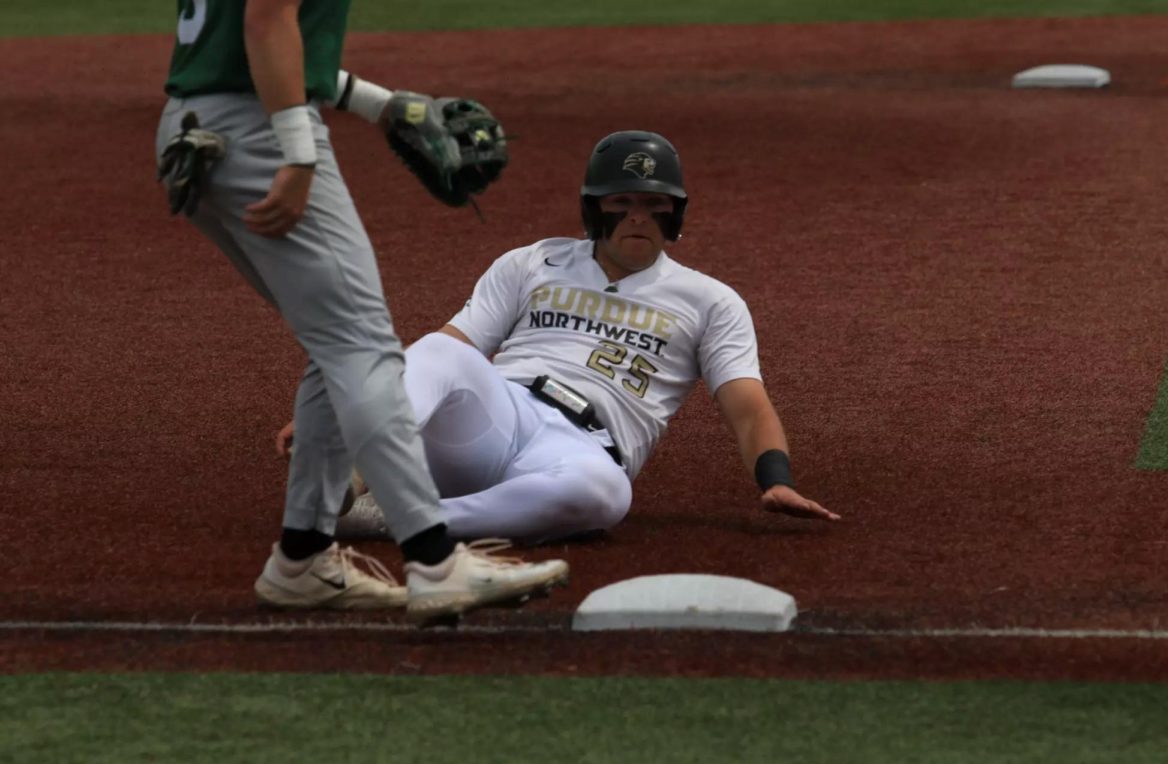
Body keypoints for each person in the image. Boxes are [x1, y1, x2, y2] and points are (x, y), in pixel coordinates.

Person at [155, 0, 567, 622]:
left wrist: (375, 102)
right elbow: (266, 17)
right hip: (259, 130)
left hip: (201, 126)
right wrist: (296, 154)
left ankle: (303, 560)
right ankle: (435, 561)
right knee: (364, 349)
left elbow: (248, 41)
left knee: (335, 344)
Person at [280, 130, 840, 542]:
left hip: (583, 450)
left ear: (675, 214)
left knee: (606, 497)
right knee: (440, 350)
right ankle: (347, 476)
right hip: (497, 416)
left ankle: (409, 519)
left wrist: (775, 477)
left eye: (653, 204)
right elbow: (451, 349)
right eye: (621, 202)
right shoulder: (533, 261)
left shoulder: (711, 301)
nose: (637, 216)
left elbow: (748, 408)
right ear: (593, 209)